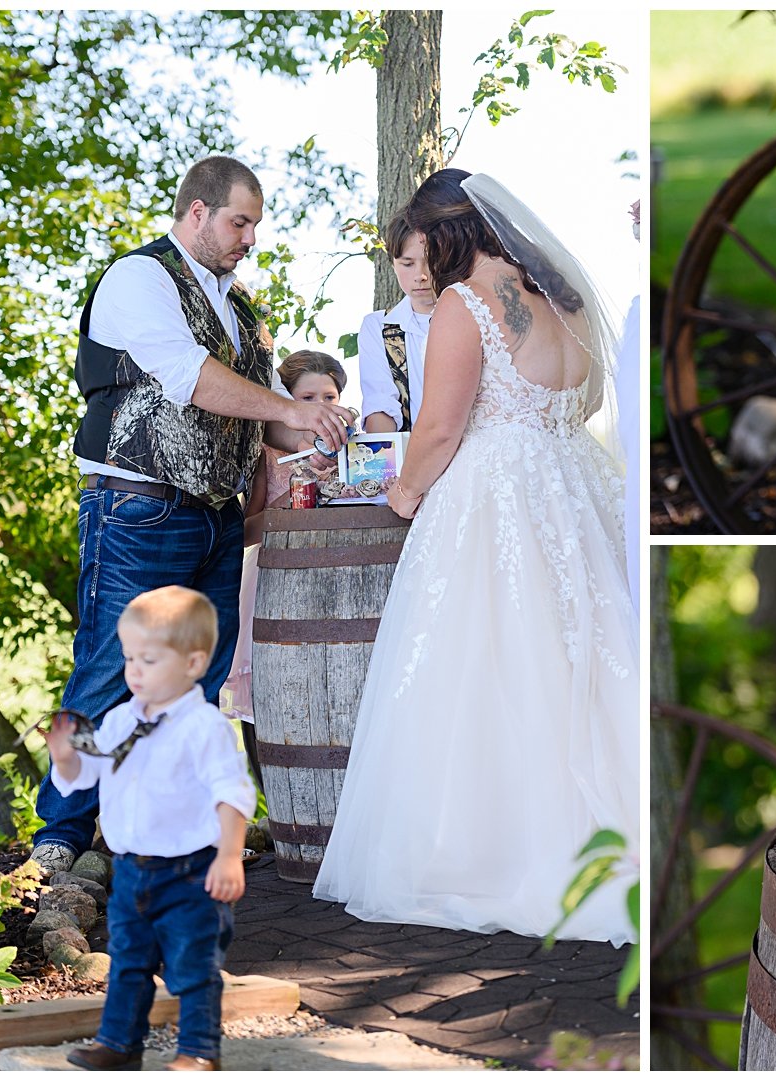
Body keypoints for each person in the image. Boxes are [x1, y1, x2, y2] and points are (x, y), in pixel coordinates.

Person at [312, 169, 636, 945]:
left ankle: (495, 850)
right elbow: (583, 403)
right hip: (574, 484)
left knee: (487, 664)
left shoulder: (466, 304)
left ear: (448, 233)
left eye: (422, 243)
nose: (419, 262)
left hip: (496, 496)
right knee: (578, 660)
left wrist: (404, 494)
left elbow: (441, 428)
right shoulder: (562, 298)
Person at [30, 156, 354, 877]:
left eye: (255, 226)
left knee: (199, 690)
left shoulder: (244, 311)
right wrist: (292, 409)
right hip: (137, 509)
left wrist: (327, 432)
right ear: (198, 213)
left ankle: (168, 835)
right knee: (113, 669)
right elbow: (194, 379)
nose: (249, 239)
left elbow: (274, 423)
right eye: (240, 222)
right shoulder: (139, 278)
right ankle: (59, 840)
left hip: (215, 520)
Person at [48, 586, 255, 1072]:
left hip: (189, 874)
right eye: (129, 659)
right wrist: (65, 756)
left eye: (149, 659)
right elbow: (89, 775)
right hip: (130, 873)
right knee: (127, 962)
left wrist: (229, 856)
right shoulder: (121, 719)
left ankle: (198, 1051)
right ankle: (118, 1043)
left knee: (193, 964)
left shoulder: (202, 727)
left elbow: (232, 793)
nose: (134, 671)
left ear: (192, 663)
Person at [221, 351, 349, 782]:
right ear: (289, 401)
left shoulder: (358, 448)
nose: (320, 405)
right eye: (307, 396)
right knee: (267, 691)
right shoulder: (268, 452)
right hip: (272, 579)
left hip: (341, 580)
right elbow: (243, 530)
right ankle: (273, 801)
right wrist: (290, 505)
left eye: (329, 395)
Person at [357, 211, 434, 432]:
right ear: (393, 265)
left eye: (429, 262)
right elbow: (380, 401)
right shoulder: (378, 327)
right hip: (410, 455)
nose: (421, 275)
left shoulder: (471, 317)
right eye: (407, 264)